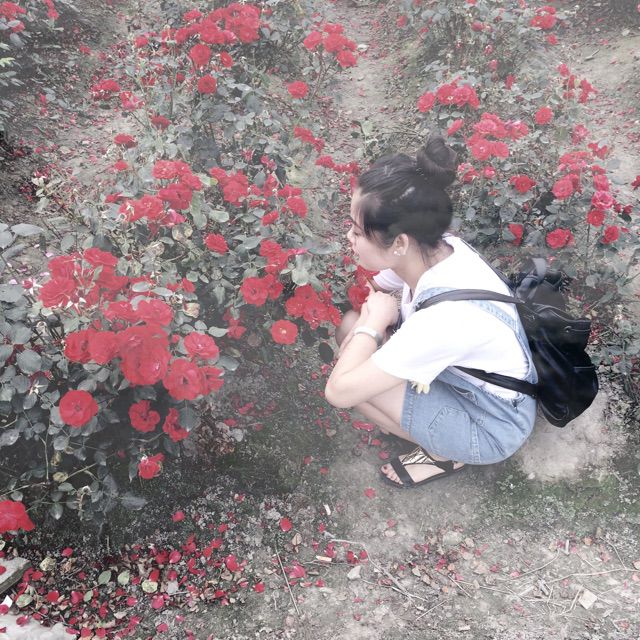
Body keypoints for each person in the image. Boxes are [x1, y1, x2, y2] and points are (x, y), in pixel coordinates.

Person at [324, 135, 537, 488]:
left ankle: (444, 454)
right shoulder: (437, 248)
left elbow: (339, 392)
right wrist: (366, 325)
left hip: (492, 424)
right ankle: (427, 426)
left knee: (356, 373)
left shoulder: (446, 320)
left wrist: (374, 324)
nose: (349, 237)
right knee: (351, 330)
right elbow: (374, 288)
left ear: (399, 243)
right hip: (467, 380)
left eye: (358, 231)